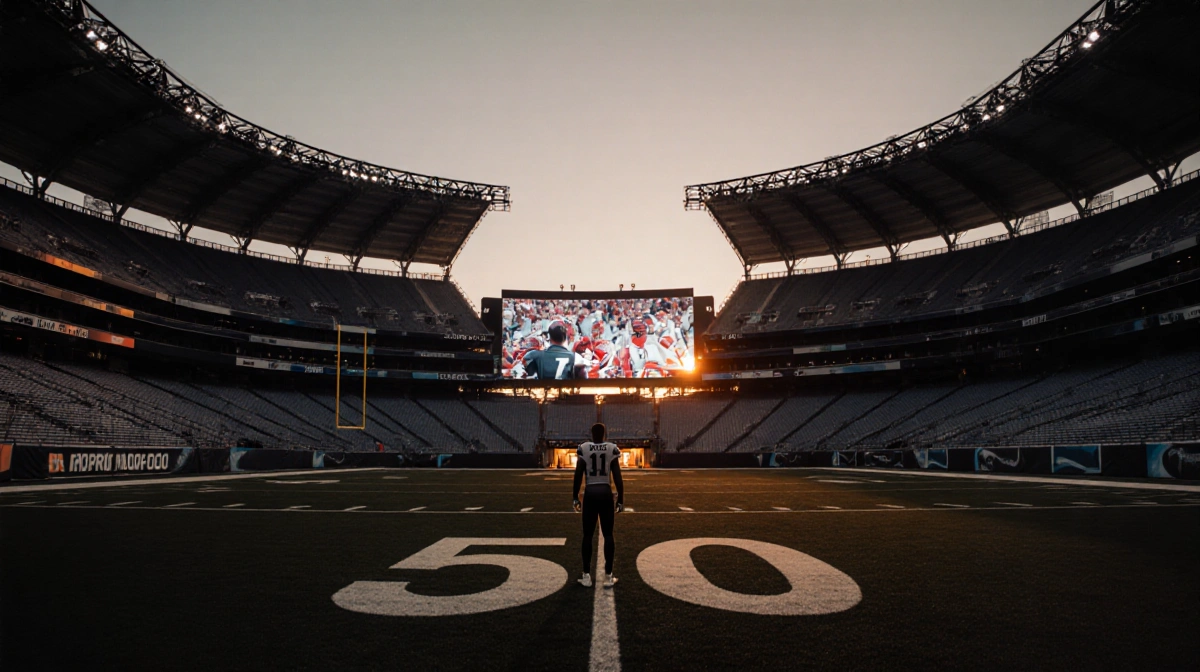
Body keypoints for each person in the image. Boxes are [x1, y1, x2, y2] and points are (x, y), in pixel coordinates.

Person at [572, 422, 624, 588]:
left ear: (591, 434)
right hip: (605, 492)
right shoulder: (611, 448)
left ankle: (586, 575)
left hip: (590, 492)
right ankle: (608, 576)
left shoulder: (585, 448)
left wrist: (575, 496)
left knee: (587, 535)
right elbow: (617, 475)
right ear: (604, 434)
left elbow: (578, 473)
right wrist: (621, 498)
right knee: (608, 534)